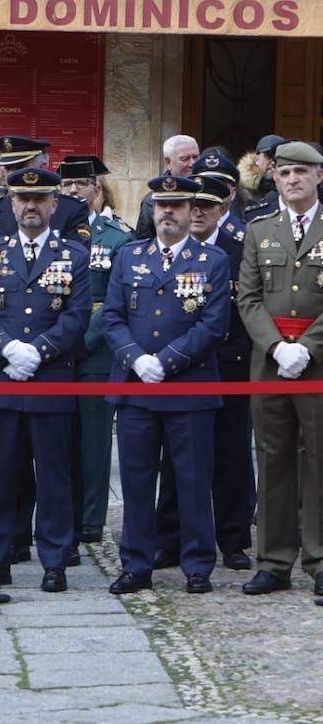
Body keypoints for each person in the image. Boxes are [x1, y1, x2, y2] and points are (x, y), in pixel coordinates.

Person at [103, 175, 230, 596]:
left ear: (191, 210)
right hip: (138, 385)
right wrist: (137, 359)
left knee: (192, 479)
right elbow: (112, 317)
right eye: (162, 205)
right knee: (137, 481)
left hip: (189, 387)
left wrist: (167, 360)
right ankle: (136, 563)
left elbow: (214, 324)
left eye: (177, 205)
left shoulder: (212, 260)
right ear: (152, 210)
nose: (169, 213)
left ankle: (197, 564)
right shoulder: (129, 255)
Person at [0, 167, 91, 593]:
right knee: (0, 475)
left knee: (54, 476)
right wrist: (7, 348)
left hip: (51, 378)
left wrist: (38, 351)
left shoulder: (73, 255)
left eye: (40, 199)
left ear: (54, 205)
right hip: (1, 378)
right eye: (23, 199)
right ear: (12, 204)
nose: (31, 206)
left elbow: (77, 316)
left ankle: (54, 560)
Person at [152, 173, 255, 572]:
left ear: (221, 210)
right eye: (191, 206)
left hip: (230, 364)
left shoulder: (240, 248)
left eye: (206, 207)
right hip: (183, 366)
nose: (197, 213)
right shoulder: (173, 249)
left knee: (231, 455)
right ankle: (170, 538)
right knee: (176, 459)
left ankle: (232, 538)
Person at [236, 141, 323, 597]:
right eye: (285, 172)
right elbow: (247, 298)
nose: (292, 180)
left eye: (302, 173)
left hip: (319, 363)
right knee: (272, 459)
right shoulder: (259, 230)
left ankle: (320, 557)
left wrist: (306, 347)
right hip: (270, 365)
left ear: (319, 177)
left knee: (318, 459)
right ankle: (273, 560)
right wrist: (276, 347)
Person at [58, 156, 132, 546]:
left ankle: (90, 518)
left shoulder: (118, 238)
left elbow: (118, 303)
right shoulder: (55, 234)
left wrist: (79, 339)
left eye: (80, 184)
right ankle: (61, 513)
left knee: (94, 441)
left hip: (95, 351)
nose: (72, 191)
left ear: (97, 189)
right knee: (59, 440)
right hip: (56, 352)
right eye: (65, 184)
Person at [0, 136, 90, 256]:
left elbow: (79, 261)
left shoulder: (71, 209)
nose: (11, 175)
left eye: (20, 168)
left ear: (43, 166)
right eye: (7, 168)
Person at [134, 135, 200, 239]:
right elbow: (144, 242)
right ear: (168, 162)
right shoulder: (152, 200)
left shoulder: (210, 192)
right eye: (185, 159)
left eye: (196, 157)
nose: (192, 163)